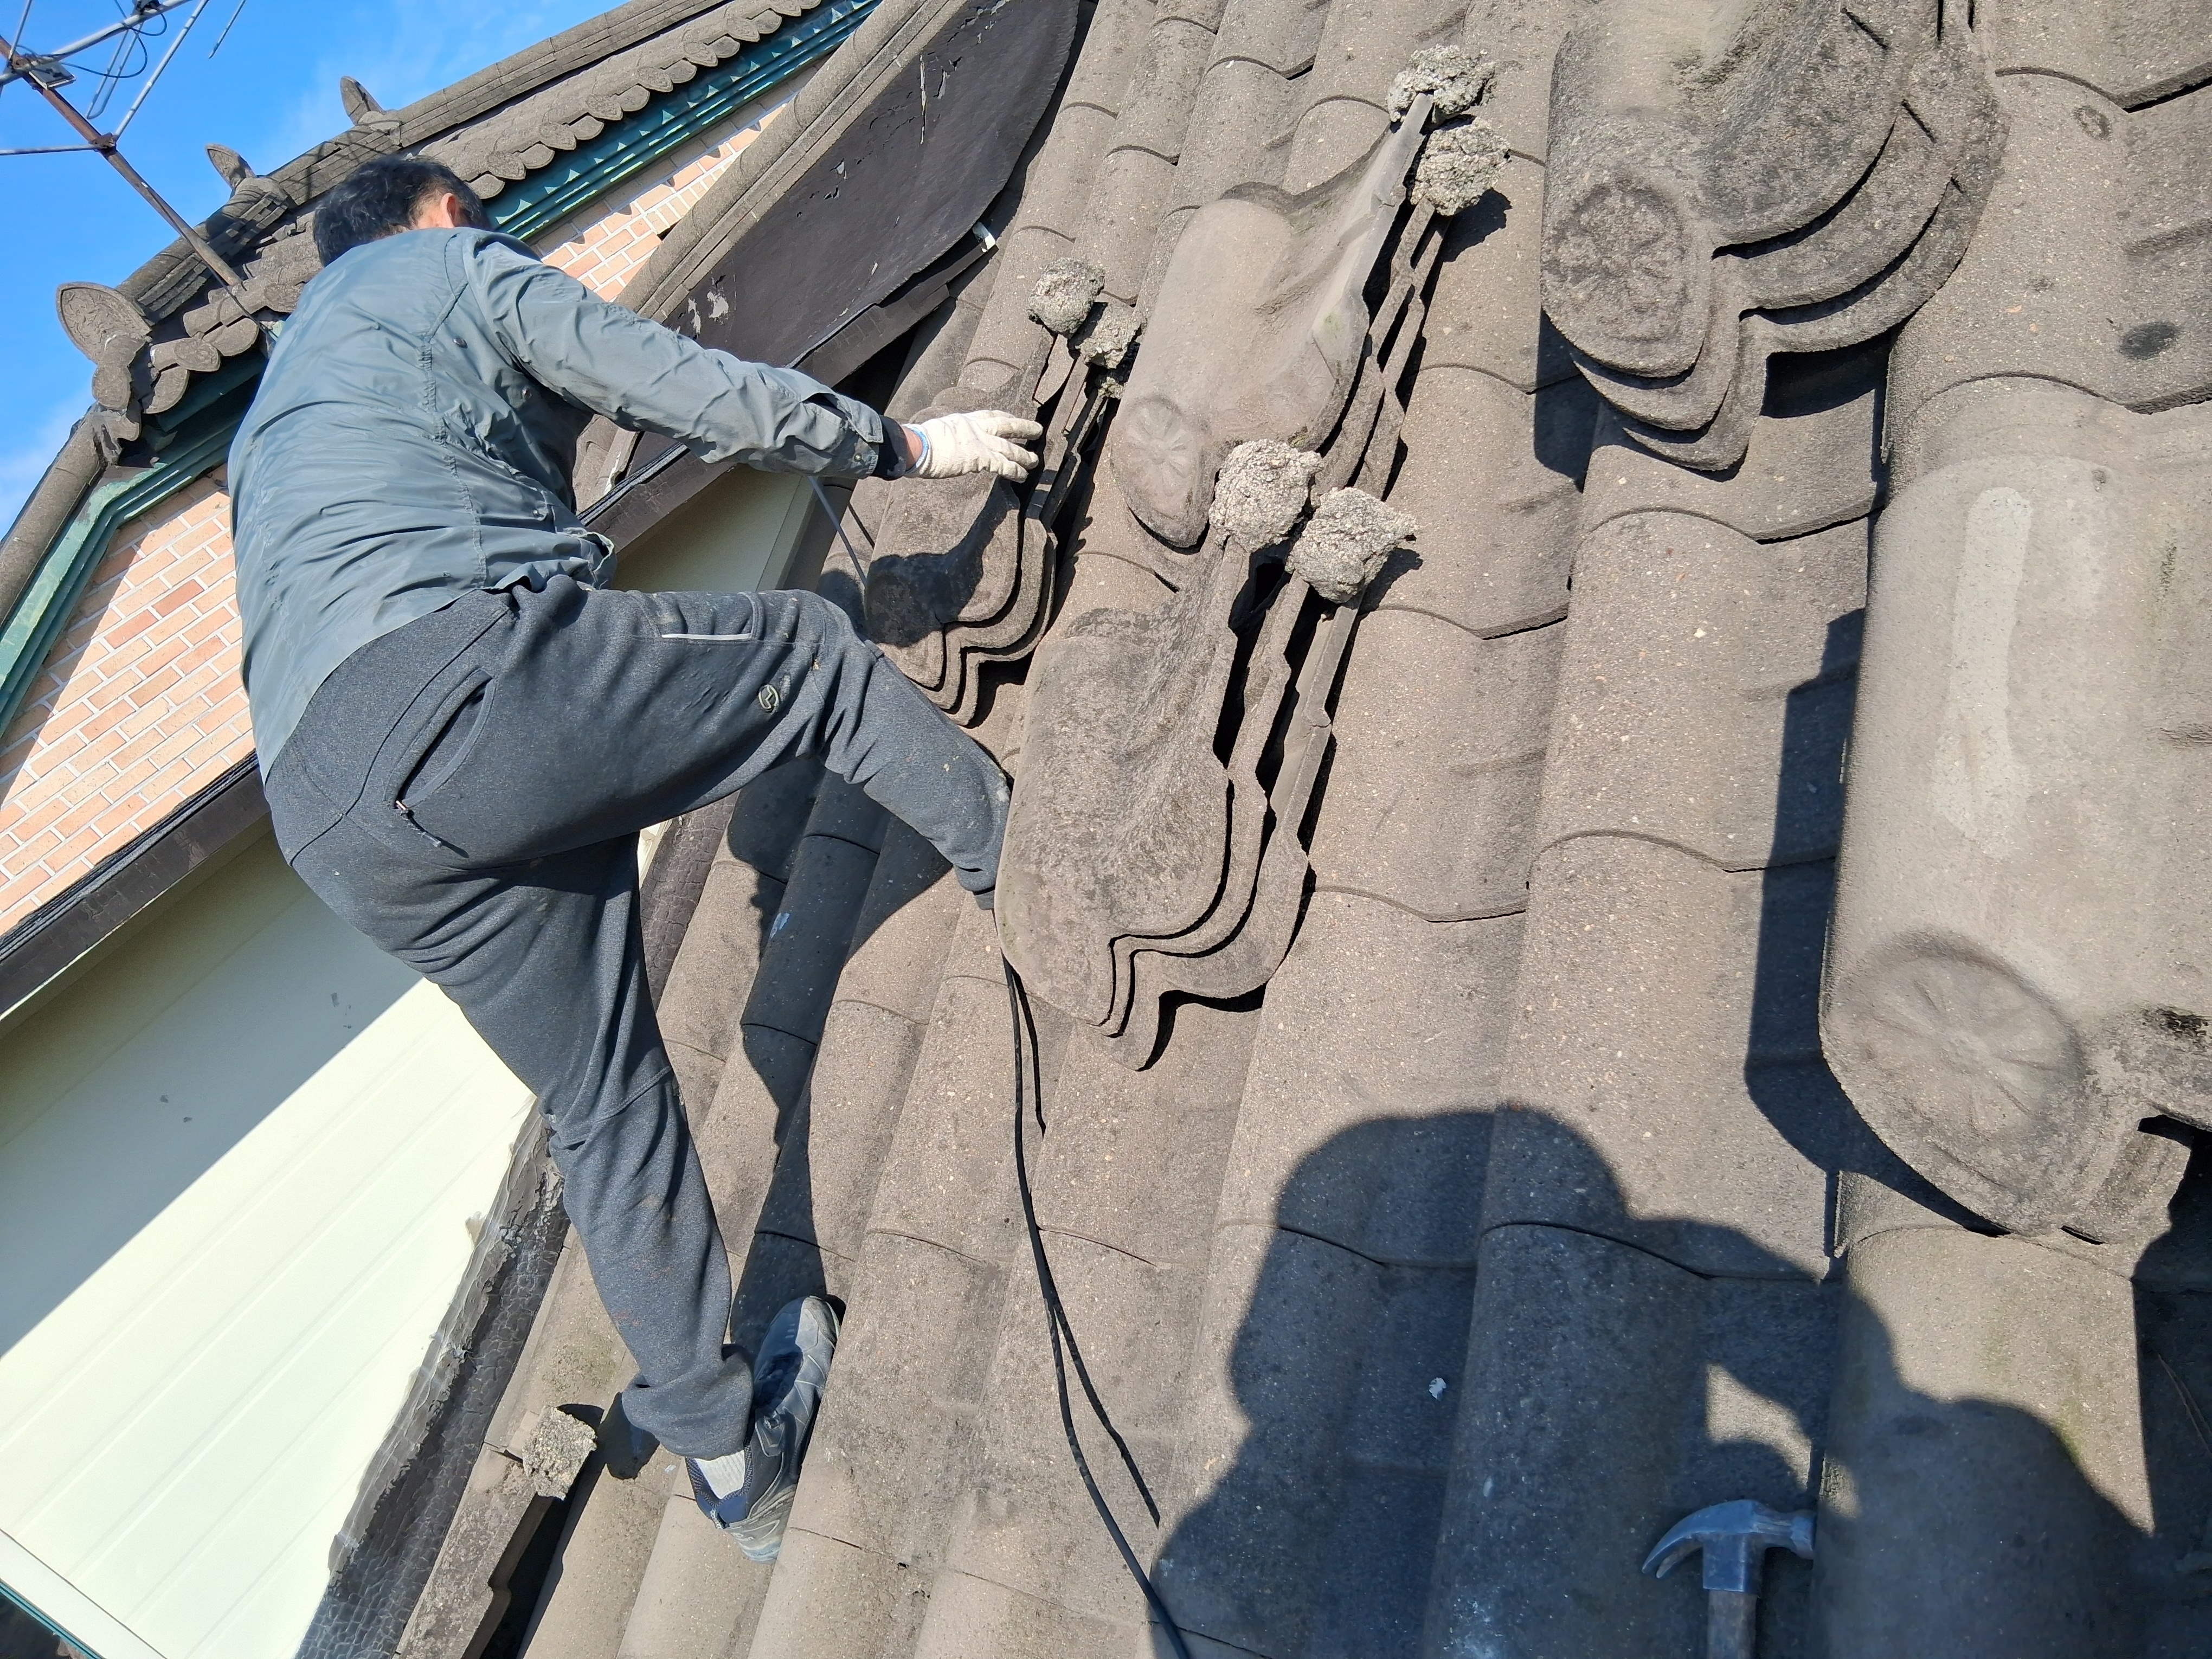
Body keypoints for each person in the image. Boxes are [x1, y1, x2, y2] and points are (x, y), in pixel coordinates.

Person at [232, 153, 1040, 1562]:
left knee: (601, 1101)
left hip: (333, 821)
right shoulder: (446, 267)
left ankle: (733, 1462)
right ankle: (1043, 877)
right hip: (458, 683)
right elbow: (672, 381)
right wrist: (903, 448)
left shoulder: (277, 417)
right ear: (447, 213)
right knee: (807, 650)